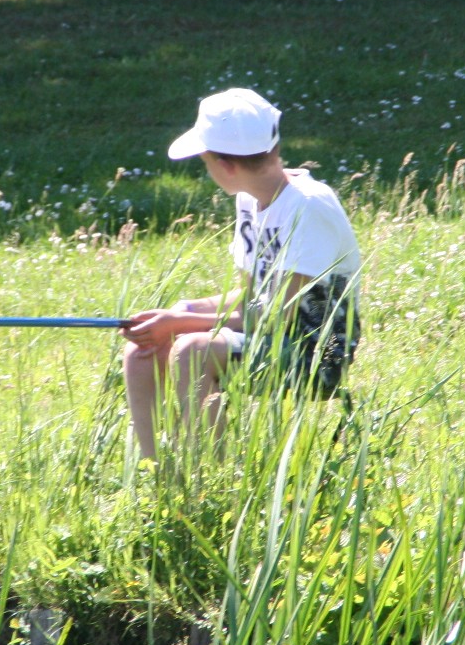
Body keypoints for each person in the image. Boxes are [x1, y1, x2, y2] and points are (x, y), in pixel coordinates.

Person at [120, 89, 362, 459]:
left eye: (206, 162)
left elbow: (277, 315)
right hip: (267, 334)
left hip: (315, 354)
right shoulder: (249, 200)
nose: (207, 171)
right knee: (142, 351)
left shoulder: (309, 207)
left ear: (226, 166)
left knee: (192, 351)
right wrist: (183, 310)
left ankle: (210, 480)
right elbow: (250, 298)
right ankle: (159, 475)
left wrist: (180, 323)